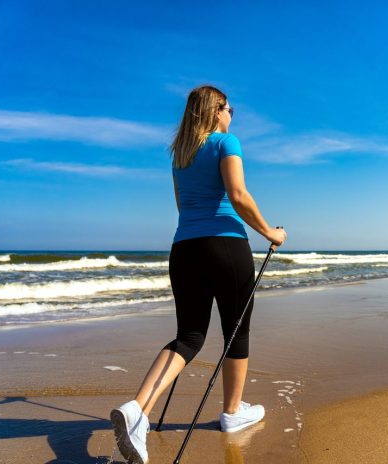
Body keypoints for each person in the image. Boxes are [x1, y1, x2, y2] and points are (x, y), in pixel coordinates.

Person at [110, 85, 287, 464]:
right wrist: (271, 232)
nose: (232, 114)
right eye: (229, 108)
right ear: (217, 110)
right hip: (225, 246)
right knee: (236, 332)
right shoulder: (227, 142)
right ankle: (232, 412)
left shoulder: (180, 154)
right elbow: (237, 195)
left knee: (189, 337)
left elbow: (182, 205)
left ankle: (137, 409)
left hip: (185, 249)